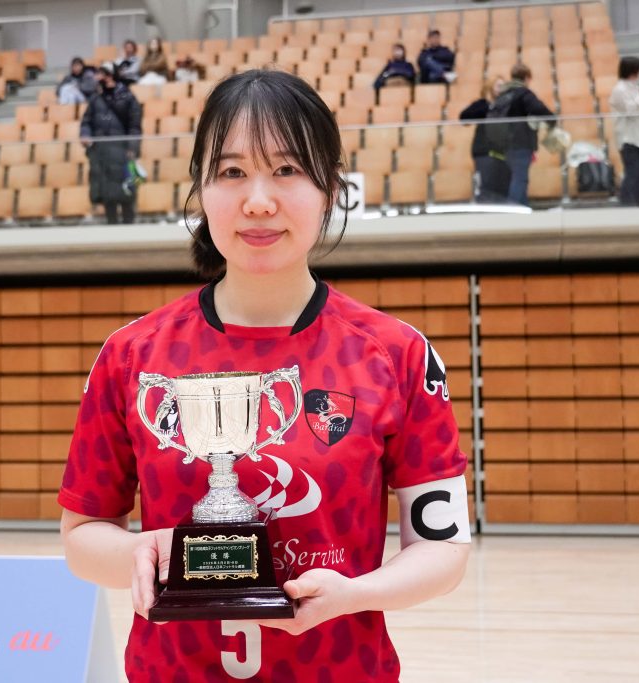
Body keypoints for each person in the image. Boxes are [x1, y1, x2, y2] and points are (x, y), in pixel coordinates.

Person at [58, 68, 470, 682]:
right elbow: (82, 534)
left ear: (330, 188)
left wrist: (354, 594)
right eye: (230, 172)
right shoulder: (130, 355)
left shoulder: (396, 354)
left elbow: (442, 548)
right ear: (200, 189)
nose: (257, 200)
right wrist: (140, 553)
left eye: (286, 169)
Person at [79, 61, 143, 224]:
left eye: (102, 74)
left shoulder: (127, 97)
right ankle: (111, 225)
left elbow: (134, 126)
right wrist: (85, 135)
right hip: (101, 155)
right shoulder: (96, 99)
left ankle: (129, 227)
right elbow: (86, 122)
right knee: (108, 196)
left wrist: (132, 148)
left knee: (126, 193)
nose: (98, 77)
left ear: (110, 76)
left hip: (122, 153)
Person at [488, 63, 556, 206]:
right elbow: (540, 110)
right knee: (520, 178)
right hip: (520, 142)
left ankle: (523, 208)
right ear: (526, 78)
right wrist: (552, 121)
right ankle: (514, 209)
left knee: (516, 177)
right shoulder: (523, 93)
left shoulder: (503, 95)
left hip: (504, 144)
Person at [610, 56, 639, 206]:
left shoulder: (634, 88)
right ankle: (628, 204)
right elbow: (630, 111)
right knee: (632, 173)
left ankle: (638, 200)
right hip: (628, 138)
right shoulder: (619, 89)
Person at [460, 75, 510, 202]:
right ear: (490, 88)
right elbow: (464, 118)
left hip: (503, 153)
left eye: (504, 86)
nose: (502, 89)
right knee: (485, 188)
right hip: (484, 152)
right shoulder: (482, 104)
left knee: (502, 189)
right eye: (499, 86)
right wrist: (489, 106)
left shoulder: (508, 106)